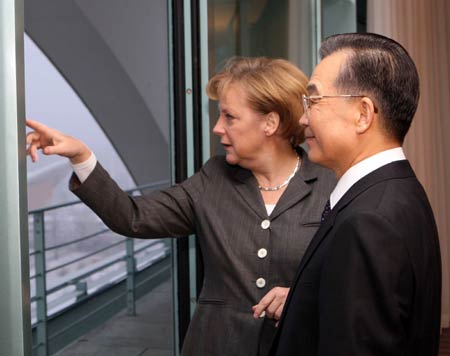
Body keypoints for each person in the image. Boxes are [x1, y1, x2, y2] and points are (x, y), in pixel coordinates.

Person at [26, 57, 336, 356]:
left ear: (270, 123)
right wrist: (81, 157)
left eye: (229, 117)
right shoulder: (213, 178)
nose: (217, 128)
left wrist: (302, 298)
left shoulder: (330, 186)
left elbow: (350, 281)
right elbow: (132, 217)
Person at [264, 33, 442, 356]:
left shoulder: (368, 222)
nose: (303, 118)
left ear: (363, 114)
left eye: (313, 101)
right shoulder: (398, 191)